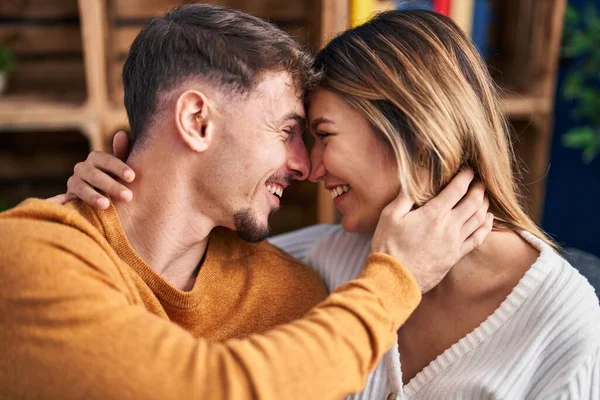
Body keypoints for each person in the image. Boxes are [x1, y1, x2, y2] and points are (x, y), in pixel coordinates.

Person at [67, 9, 600, 400]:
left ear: (408, 125)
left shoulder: (566, 323)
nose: (310, 167)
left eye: (322, 135)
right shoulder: (327, 261)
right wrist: (112, 203)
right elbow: (189, 273)